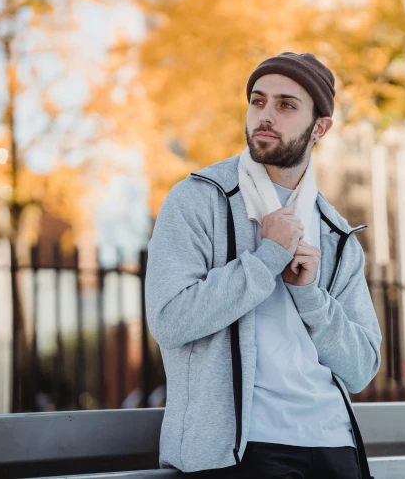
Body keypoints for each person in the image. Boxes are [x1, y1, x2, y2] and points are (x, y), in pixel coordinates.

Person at [145, 52, 381, 479]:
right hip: (239, 450)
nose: (265, 116)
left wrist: (311, 299)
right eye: (258, 101)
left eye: (286, 105)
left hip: (333, 445)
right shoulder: (199, 200)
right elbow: (168, 320)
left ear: (320, 128)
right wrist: (265, 260)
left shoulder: (335, 232)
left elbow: (362, 368)